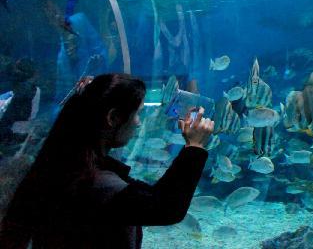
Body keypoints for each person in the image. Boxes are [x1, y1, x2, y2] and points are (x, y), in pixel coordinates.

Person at [0, 73, 213, 248]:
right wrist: (194, 148)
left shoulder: (63, 164)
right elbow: (165, 208)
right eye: (137, 114)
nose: (139, 123)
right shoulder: (95, 184)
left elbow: (148, 195)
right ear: (112, 118)